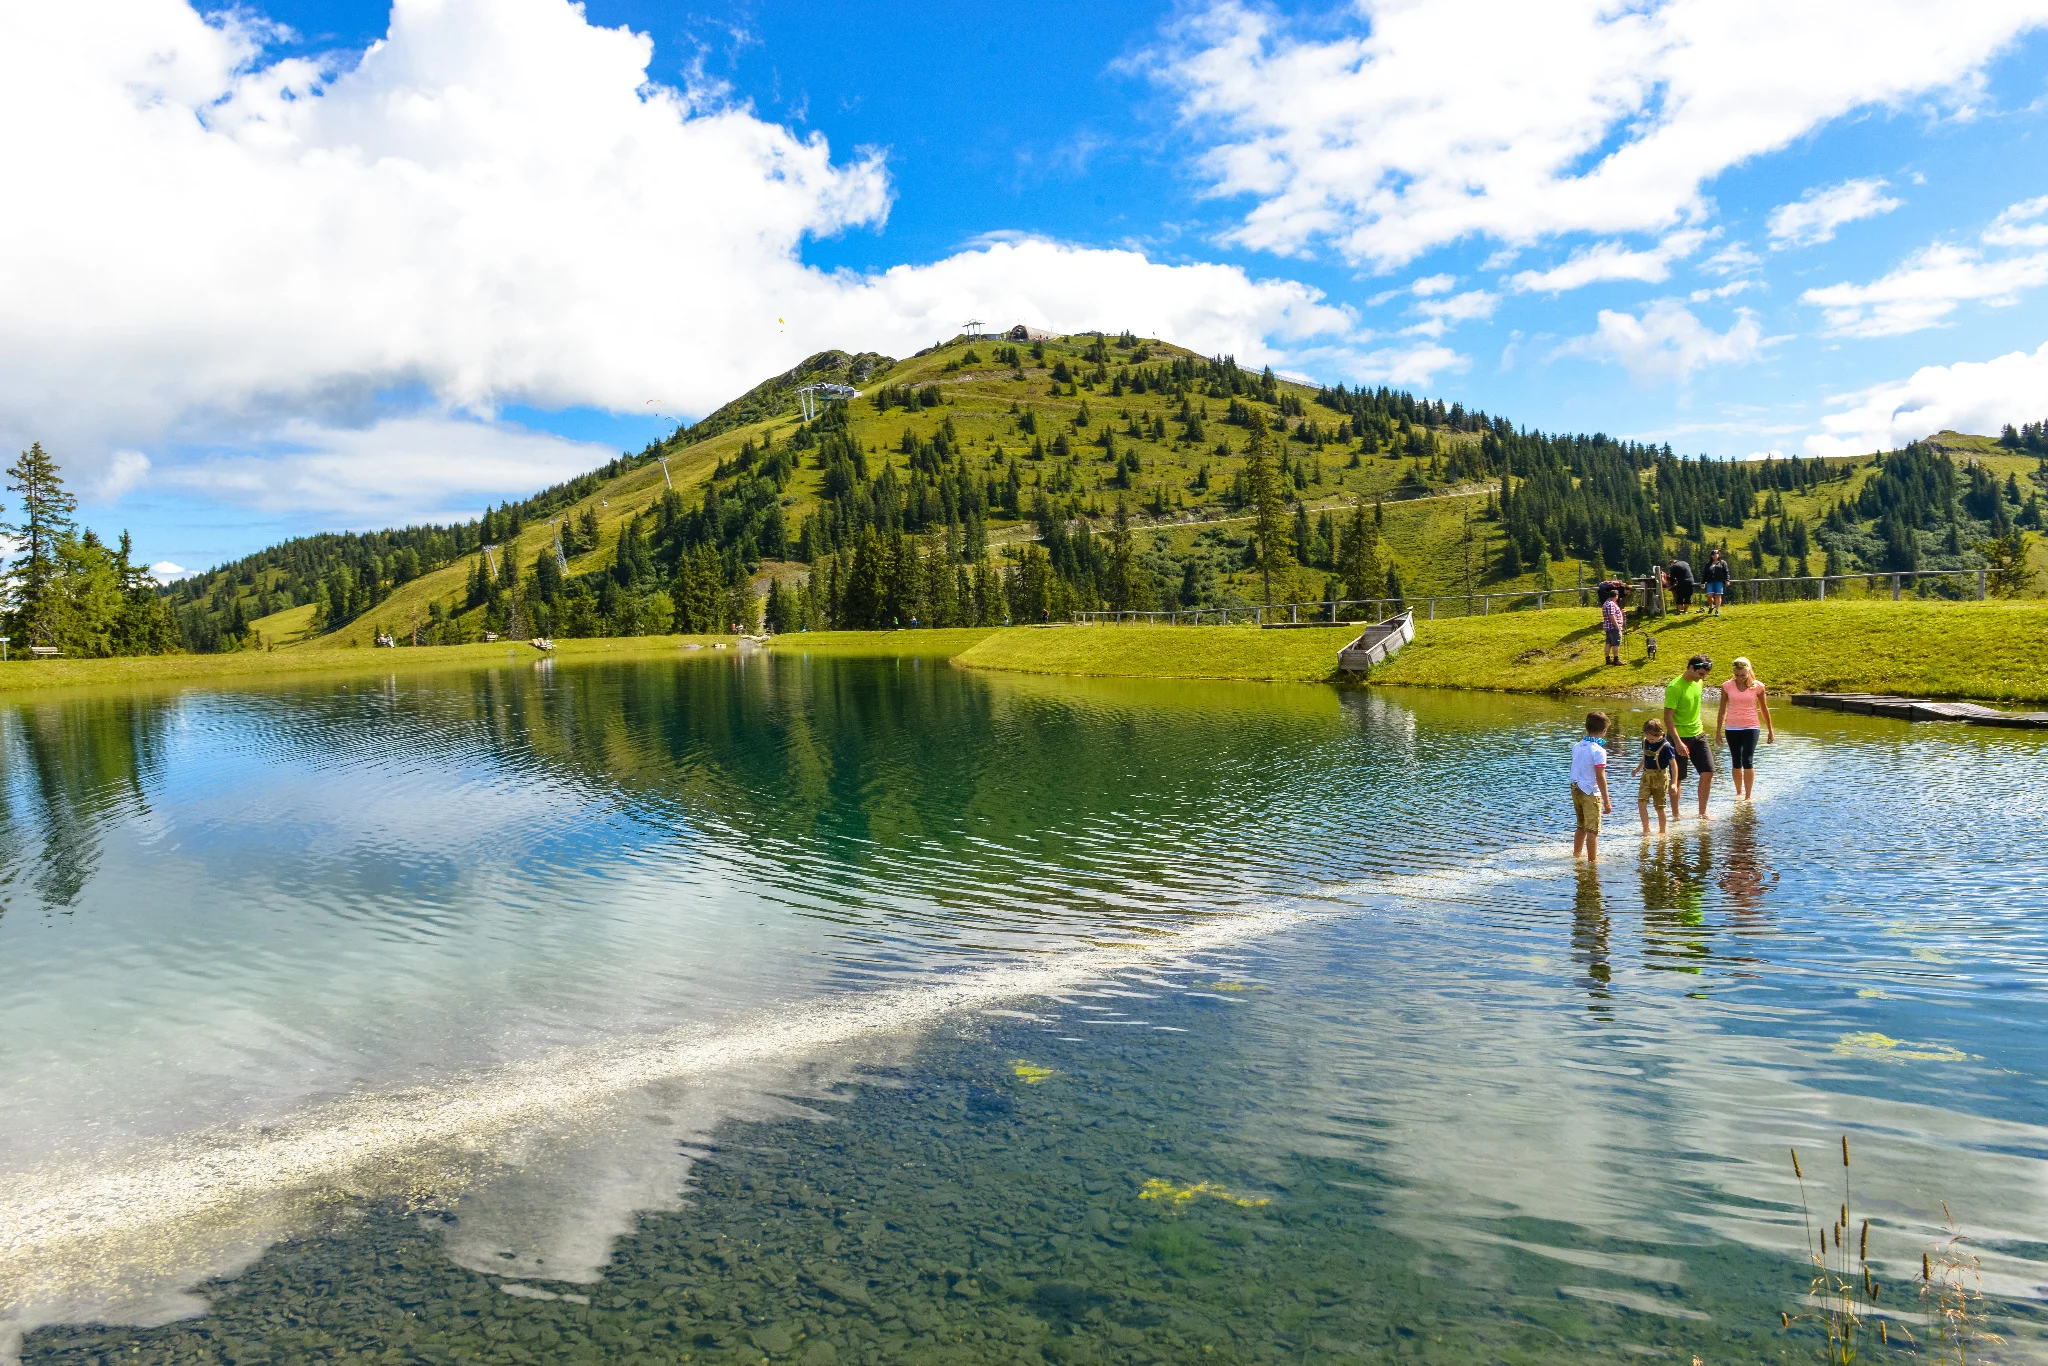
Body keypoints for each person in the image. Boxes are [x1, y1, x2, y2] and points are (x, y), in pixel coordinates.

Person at [1662, 654, 1715, 820]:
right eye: (1701, 674)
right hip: (1679, 737)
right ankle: (1676, 814)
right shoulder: (1675, 687)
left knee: (1708, 771)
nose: (1703, 678)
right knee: (1678, 778)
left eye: (1705, 675)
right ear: (1691, 668)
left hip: (1698, 734)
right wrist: (1677, 742)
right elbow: (1668, 716)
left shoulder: (1698, 682)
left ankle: (1702, 812)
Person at [1715, 655, 1774, 800]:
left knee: (1747, 759)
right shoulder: (1727, 686)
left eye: (1742, 675)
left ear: (1748, 672)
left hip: (1751, 726)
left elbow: (1764, 709)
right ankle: (1738, 792)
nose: (1739, 678)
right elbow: (1722, 709)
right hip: (1732, 727)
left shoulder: (1758, 686)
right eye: (1736, 675)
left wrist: (1771, 730)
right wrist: (1718, 731)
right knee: (1736, 760)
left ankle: (1748, 796)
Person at [1571, 711, 1614, 862]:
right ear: (1604, 731)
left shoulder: (1577, 746)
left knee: (1581, 825)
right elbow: (1600, 777)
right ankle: (1592, 861)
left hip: (1575, 788)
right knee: (1593, 830)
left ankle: (1576, 853)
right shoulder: (1599, 750)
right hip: (1590, 791)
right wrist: (1607, 801)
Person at [1632, 718, 1678, 835]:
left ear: (1661, 735)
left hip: (1660, 777)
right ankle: (1646, 830)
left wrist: (1673, 783)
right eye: (1648, 737)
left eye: (1653, 739)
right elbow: (1645, 758)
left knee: (1659, 807)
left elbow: (1673, 765)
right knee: (1641, 803)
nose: (1650, 741)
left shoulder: (1666, 747)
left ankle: (1662, 832)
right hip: (1646, 776)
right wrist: (1637, 769)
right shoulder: (1645, 742)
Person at [1600, 585, 1625, 665]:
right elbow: (1611, 615)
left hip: (1607, 626)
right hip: (1613, 627)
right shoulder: (1611, 604)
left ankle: (1608, 659)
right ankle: (1616, 660)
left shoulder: (1606, 603)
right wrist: (1617, 626)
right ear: (1616, 596)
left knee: (1608, 643)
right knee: (1616, 643)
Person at [1702, 551, 1730, 616]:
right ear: (1711, 556)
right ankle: (1711, 606)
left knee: (1718, 595)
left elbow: (1726, 572)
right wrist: (1703, 582)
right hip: (1710, 581)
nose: (1715, 556)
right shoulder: (1708, 564)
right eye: (1713, 555)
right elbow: (1705, 574)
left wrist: (1727, 580)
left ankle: (1717, 610)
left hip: (1719, 581)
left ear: (1719, 555)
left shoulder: (1723, 563)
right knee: (1709, 595)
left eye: (1716, 554)